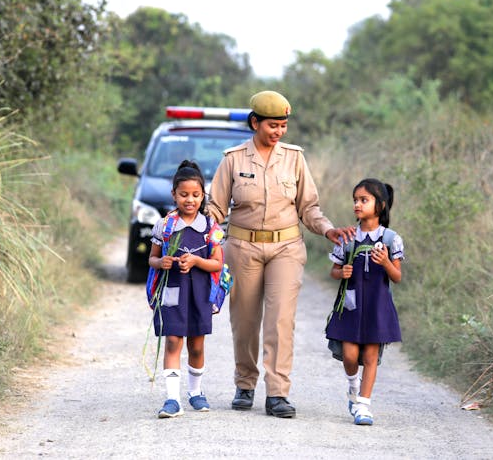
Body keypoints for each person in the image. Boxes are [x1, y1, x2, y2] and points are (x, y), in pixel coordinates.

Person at [207, 90, 353, 418]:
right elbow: (216, 207)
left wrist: (328, 229)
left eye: (283, 125)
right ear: (255, 122)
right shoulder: (232, 159)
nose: (278, 132)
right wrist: (196, 228)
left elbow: (309, 207)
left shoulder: (294, 158)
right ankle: (245, 383)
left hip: (286, 247)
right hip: (242, 247)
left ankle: (277, 393)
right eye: (273, 125)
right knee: (244, 319)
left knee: (281, 320)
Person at [147, 160, 224, 419]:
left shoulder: (210, 228)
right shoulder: (165, 226)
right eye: (183, 194)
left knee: (197, 346)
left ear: (203, 195)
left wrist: (196, 261)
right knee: (172, 341)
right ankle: (172, 399)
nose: (189, 200)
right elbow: (152, 258)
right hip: (172, 292)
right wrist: (162, 262)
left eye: (195, 194)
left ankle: (195, 392)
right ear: (174, 195)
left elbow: (217, 263)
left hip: (199, 293)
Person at [325, 178, 405, 426]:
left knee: (370, 356)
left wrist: (386, 263)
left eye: (364, 200)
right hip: (351, 305)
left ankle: (364, 406)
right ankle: (353, 387)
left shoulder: (391, 239)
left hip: (377, 306)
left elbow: (397, 277)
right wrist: (342, 272)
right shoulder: (348, 237)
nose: (357, 205)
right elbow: (334, 271)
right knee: (349, 356)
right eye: (355, 200)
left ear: (379, 205)